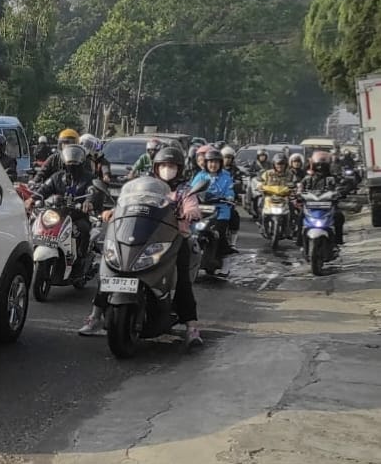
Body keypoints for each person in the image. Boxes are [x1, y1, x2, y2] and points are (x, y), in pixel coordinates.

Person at [78, 142, 202, 348]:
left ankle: (191, 327)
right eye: (163, 165)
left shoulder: (184, 190)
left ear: (180, 169)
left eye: (172, 166)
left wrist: (191, 212)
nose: (167, 169)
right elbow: (128, 203)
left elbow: (192, 206)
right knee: (109, 270)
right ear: (156, 167)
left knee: (182, 280)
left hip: (173, 238)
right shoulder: (145, 185)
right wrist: (113, 212)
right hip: (139, 236)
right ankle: (95, 316)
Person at [31, 141, 94, 271]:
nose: (72, 163)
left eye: (75, 159)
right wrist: (32, 199)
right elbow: (44, 189)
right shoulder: (57, 177)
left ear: (82, 160)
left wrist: (88, 201)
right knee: (35, 220)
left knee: (83, 228)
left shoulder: (88, 178)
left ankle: (80, 260)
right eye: (70, 159)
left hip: (77, 215)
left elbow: (92, 191)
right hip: (58, 213)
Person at [189, 145, 236, 263]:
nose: (213, 165)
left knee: (219, 234)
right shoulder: (200, 175)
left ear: (220, 164)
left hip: (220, 210)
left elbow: (230, 190)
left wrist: (229, 196)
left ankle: (222, 257)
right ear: (206, 163)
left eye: (216, 162)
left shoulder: (226, 176)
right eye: (210, 162)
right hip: (201, 209)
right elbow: (192, 189)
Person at [300, 149, 346, 246]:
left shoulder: (332, 179)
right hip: (311, 207)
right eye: (318, 166)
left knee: (339, 216)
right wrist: (298, 194)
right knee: (300, 216)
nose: (320, 168)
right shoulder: (308, 179)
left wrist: (339, 193)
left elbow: (340, 187)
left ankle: (338, 241)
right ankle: (299, 240)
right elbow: (300, 189)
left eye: (323, 166)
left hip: (328, 206)